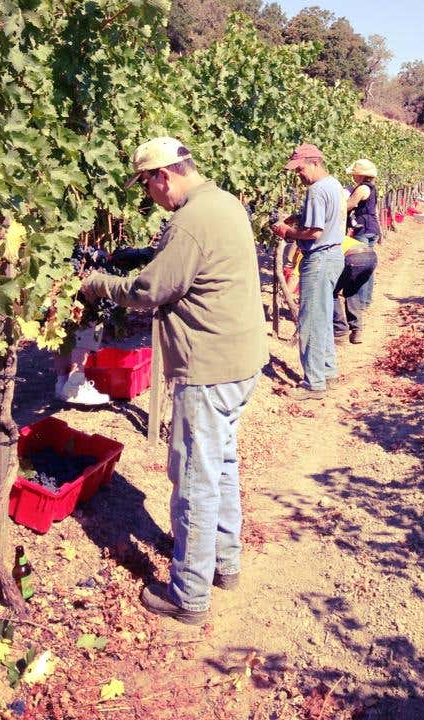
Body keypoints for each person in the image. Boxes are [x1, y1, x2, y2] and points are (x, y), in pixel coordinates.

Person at [81, 136, 268, 627]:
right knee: (221, 465)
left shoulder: (190, 222)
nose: (148, 196)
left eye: (146, 185)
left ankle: (189, 595)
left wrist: (97, 283)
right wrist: (143, 252)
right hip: (242, 360)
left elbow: (148, 291)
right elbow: (189, 259)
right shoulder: (222, 202)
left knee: (194, 480)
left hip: (209, 368)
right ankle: (223, 564)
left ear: (162, 176)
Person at [271, 144, 345, 399]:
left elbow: (314, 233)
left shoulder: (315, 190)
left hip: (320, 257)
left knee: (310, 320)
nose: (298, 175)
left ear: (314, 163)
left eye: (300, 169)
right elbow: (324, 220)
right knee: (322, 317)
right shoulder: (334, 185)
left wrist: (286, 232)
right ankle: (327, 371)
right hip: (335, 255)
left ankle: (313, 384)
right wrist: (297, 216)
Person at [345, 158, 380, 309]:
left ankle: (358, 302)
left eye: (355, 174)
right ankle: (365, 300)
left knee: (360, 267)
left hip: (363, 230)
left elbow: (350, 204)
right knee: (367, 267)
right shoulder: (372, 187)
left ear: (361, 175)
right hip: (372, 229)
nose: (353, 176)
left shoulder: (362, 188)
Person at [333, 236, 378, 344]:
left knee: (331, 292)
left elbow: (295, 276)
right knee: (351, 291)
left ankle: (339, 330)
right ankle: (356, 330)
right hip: (371, 257)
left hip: (353, 257)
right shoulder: (334, 233)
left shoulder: (317, 241)